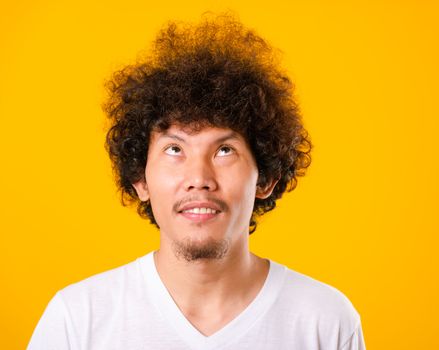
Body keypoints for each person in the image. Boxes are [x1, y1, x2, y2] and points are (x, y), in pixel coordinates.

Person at [28, 13, 366, 350]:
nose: (199, 179)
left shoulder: (326, 322)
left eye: (224, 150)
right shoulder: (75, 321)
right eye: (175, 149)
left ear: (265, 178)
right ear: (139, 179)